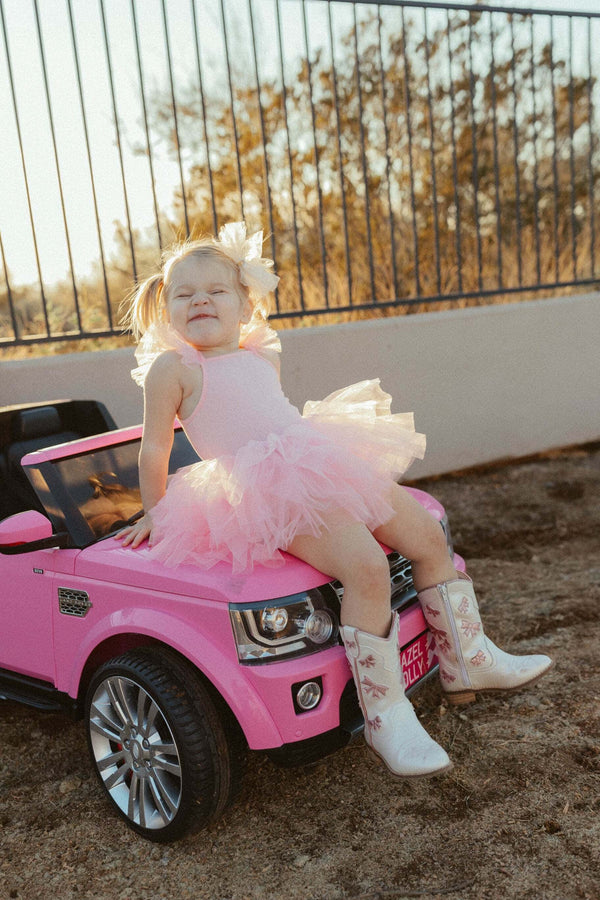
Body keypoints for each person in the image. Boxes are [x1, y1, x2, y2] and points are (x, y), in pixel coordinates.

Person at [117, 222, 553, 780]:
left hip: (314, 457)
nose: (199, 300)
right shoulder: (174, 369)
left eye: (216, 290)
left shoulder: (258, 353)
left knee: (422, 534)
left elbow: (276, 418)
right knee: (367, 568)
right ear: (167, 307)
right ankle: (385, 714)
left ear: (246, 302)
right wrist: (158, 511)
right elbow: (154, 449)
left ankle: (468, 661)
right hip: (262, 489)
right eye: (184, 293)